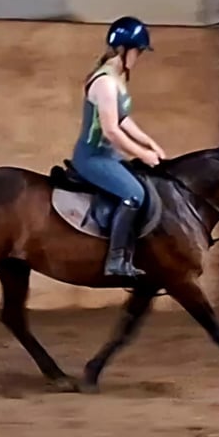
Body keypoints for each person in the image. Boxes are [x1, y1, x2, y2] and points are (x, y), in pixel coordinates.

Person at [70, 16, 167, 279]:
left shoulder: (117, 78)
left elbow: (123, 119)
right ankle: (115, 260)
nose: (139, 57)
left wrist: (149, 141)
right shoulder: (105, 83)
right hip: (92, 156)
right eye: (138, 51)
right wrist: (142, 154)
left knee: (143, 184)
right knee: (133, 194)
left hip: (107, 155)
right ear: (125, 49)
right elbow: (112, 130)